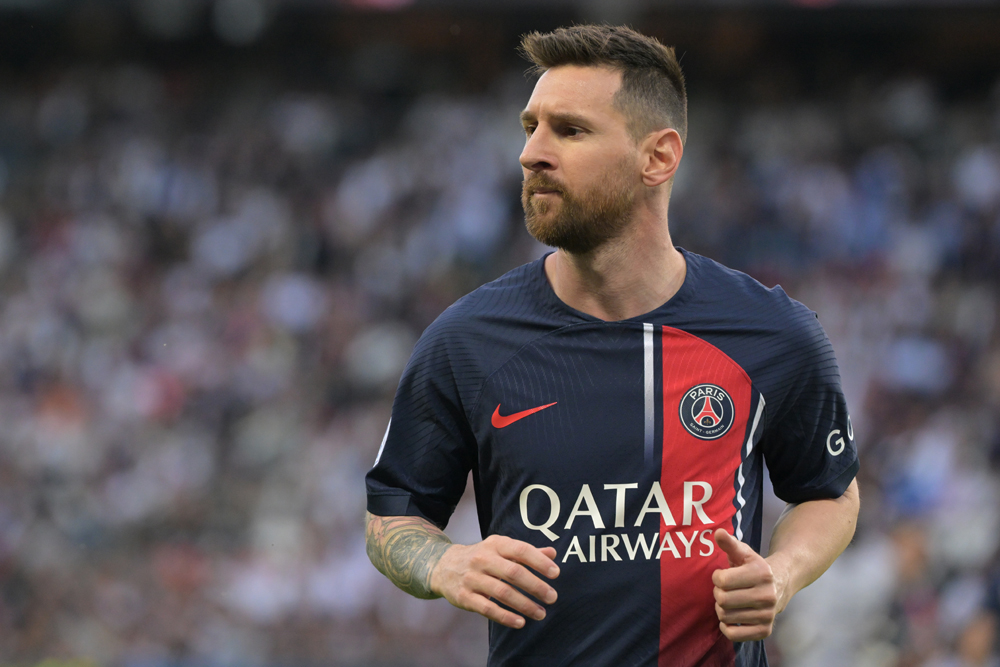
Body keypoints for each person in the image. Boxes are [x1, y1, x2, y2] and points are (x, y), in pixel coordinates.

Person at [365, 24, 860, 667]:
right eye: (529, 127)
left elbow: (830, 491)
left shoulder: (774, 335)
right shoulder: (465, 342)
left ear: (658, 157)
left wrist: (783, 572)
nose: (531, 153)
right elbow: (391, 517)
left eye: (569, 131)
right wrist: (446, 564)